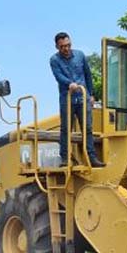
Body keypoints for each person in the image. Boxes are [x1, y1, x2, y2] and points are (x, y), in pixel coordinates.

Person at [49, 32, 105, 168]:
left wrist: (91, 95)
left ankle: (91, 157)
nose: (66, 49)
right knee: (65, 128)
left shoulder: (80, 55)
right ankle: (64, 158)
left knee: (87, 128)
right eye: (62, 47)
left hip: (83, 97)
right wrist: (69, 83)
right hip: (67, 98)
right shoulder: (54, 60)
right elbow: (58, 76)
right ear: (57, 46)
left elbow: (88, 75)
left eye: (68, 45)